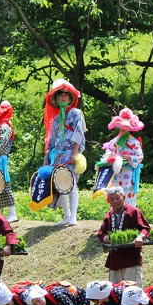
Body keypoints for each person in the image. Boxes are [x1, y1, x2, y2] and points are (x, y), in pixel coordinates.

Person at [42, 79, 87, 226]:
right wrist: (47, 156)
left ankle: (73, 216)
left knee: (71, 184)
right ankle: (66, 215)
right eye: (60, 94)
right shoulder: (56, 118)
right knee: (59, 185)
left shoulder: (76, 113)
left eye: (66, 94)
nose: (63, 96)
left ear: (70, 98)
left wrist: (75, 153)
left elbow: (78, 133)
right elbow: (52, 138)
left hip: (70, 153)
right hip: (58, 155)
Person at [97, 187, 151, 286]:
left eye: (117, 198)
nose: (115, 201)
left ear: (123, 197)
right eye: (111, 199)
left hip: (131, 257)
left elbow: (145, 228)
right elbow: (101, 232)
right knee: (115, 291)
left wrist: (140, 237)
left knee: (132, 290)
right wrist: (106, 238)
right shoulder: (109, 214)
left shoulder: (133, 211)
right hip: (115, 259)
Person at [95, 108, 144, 206]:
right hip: (115, 172)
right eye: (121, 126)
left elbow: (140, 156)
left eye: (125, 127)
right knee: (114, 193)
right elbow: (108, 152)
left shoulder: (134, 142)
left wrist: (130, 157)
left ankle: (128, 215)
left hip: (127, 172)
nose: (122, 129)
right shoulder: (115, 140)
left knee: (126, 194)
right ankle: (115, 216)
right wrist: (109, 158)